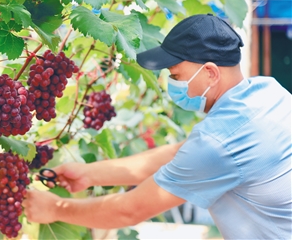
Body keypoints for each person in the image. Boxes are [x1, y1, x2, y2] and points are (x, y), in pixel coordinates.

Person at [23, 14, 292, 239]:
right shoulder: (268, 93)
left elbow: (130, 210)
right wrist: (90, 174)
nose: (171, 83)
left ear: (210, 73)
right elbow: (181, 155)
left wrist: (56, 208)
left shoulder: (220, 143)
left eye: (176, 75)